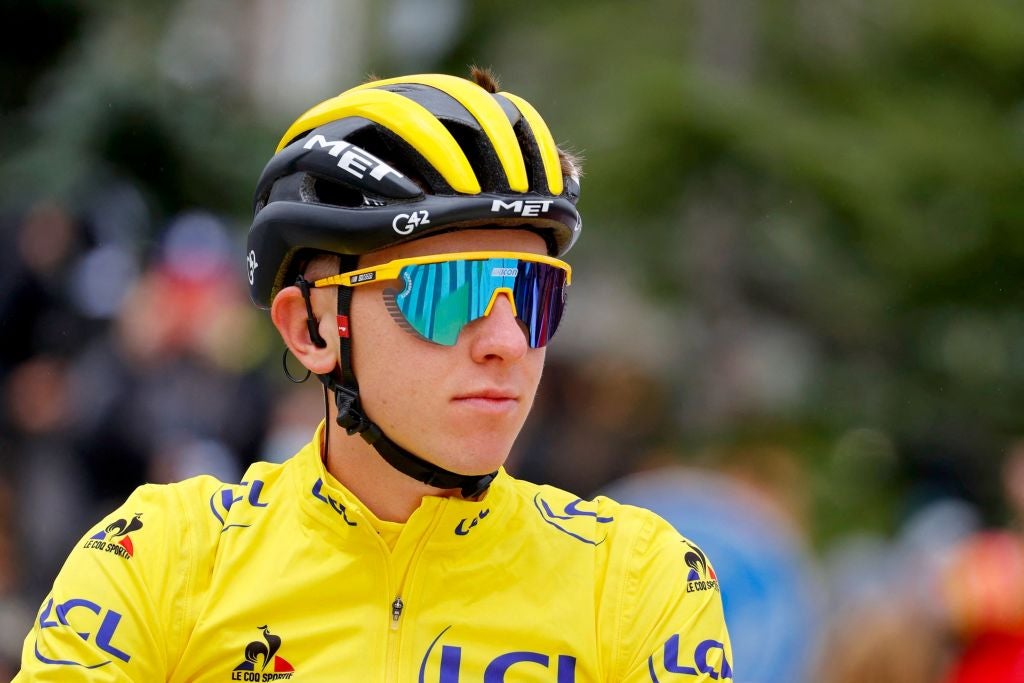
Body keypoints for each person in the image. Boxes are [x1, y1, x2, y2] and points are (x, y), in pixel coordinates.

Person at [16, 69, 733, 681]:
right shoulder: (157, 557)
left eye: (537, 293)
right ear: (312, 328)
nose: (509, 341)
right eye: (447, 291)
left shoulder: (639, 577)